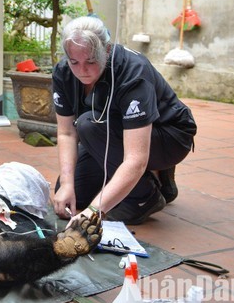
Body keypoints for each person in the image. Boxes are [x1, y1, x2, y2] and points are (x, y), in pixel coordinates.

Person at [52, 16, 197, 225]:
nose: (82, 70)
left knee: (88, 125)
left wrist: (94, 211)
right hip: (111, 131)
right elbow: (66, 132)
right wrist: (66, 184)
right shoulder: (64, 73)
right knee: (73, 194)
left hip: (167, 135)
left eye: (91, 61)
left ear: (107, 50)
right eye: (74, 62)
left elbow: (135, 160)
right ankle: (157, 179)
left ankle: (145, 197)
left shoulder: (133, 72)